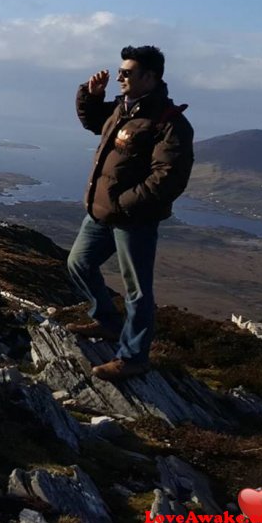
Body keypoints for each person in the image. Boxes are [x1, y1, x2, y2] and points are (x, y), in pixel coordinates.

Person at [65, 45, 194, 381]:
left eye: (127, 72)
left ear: (150, 77)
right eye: (120, 71)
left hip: (133, 220)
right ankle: (107, 321)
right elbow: (95, 123)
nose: (119, 76)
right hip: (101, 214)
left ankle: (133, 357)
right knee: (78, 263)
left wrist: (124, 204)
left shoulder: (169, 123)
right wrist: (92, 96)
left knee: (137, 290)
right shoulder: (124, 109)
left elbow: (168, 178)